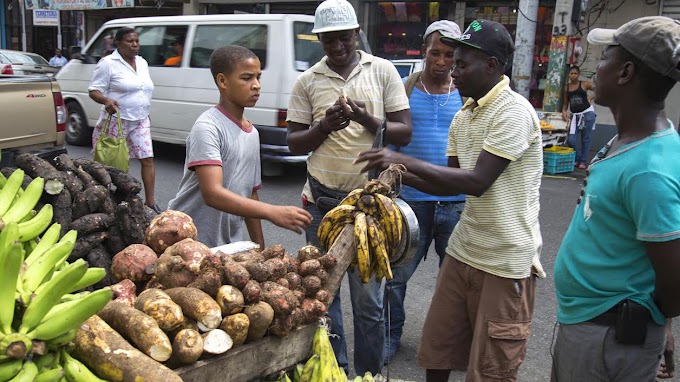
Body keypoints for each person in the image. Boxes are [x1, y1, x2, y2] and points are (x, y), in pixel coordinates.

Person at [356, 19, 544, 382]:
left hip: (504, 260)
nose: (452, 71)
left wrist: (405, 160)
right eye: (452, 61)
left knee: (491, 367)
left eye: (461, 63)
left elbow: (476, 182)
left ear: (491, 65)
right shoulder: (465, 115)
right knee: (438, 348)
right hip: (465, 249)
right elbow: (448, 186)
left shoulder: (514, 112)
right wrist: (394, 175)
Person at [551, 16, 680, 382]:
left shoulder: (647, 169)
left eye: (604, 57)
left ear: (625, 73)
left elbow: (675, 281)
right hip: (590, 328)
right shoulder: (624, 143)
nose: (596, 69)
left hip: (606, 339)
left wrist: (653, 321)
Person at [286, 0, 411, 375]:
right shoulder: (307, 81)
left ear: (357, 33)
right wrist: (324, 126)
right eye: (328, 40)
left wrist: (365, 118)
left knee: (369, 303)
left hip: (369, 211)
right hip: (322, 204)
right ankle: (336, 370)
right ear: (320, 39)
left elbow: (403, 132)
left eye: (343, 38)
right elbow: (294, 143)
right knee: (325, 298)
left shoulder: (384, 71)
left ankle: (367, 374)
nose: (337, 47)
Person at [167, 46, 312, 249]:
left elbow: (250, 193)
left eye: (258, 77)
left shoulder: (252, 133)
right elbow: (212, 193)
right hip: (189, 241)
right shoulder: (208, 127)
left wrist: (260, 249)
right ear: (222, 81)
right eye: (246, 78)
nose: (256, 86)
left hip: (228, 246)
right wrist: (271, 211)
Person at [382, 19, 465, 364]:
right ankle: (389, 337)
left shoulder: (469, 92)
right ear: (424, 50)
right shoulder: (402, 89)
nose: (441, 61)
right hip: (409, 201)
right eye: (435, 53)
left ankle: (454, 346)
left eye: (449, 55)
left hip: (457, 202)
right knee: (395, 276)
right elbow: (385, 140)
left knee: (458, 283)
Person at [88, 27, 160, 213]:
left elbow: (144, 90)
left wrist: (144, 108)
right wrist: (106, 100)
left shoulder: (142, 63)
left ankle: (150, 202)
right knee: (112, 164)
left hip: (140, 120)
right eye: (130, 41)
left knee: (148, 159)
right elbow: (94, 90)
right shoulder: (108, 63)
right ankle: (105, 200)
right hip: (116, 120)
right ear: (118, 43)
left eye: (137, 41)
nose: (135, 45)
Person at [561, 65, 596, 169]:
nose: (573, 76)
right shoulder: (567, 87)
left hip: (587, 114)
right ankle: (577, 158)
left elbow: (599, 89)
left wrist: (591, 97)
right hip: (575, 116)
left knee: (586, 138)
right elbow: (565, 103)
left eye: (575, 73)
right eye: (571, 73)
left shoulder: (584, 84)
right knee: (571, 140)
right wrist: (563, 111)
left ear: (578, 74)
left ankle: (582, 161)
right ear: (569, 75)